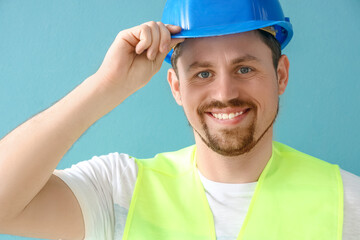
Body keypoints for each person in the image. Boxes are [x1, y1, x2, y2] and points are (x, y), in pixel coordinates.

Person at [0, 0, 359, 239]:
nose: (224, 92)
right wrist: (105, 86)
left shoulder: (347, 202)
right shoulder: (119, 191)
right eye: (202, 74)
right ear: (175, 86)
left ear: (281, 75)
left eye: (244, 68)